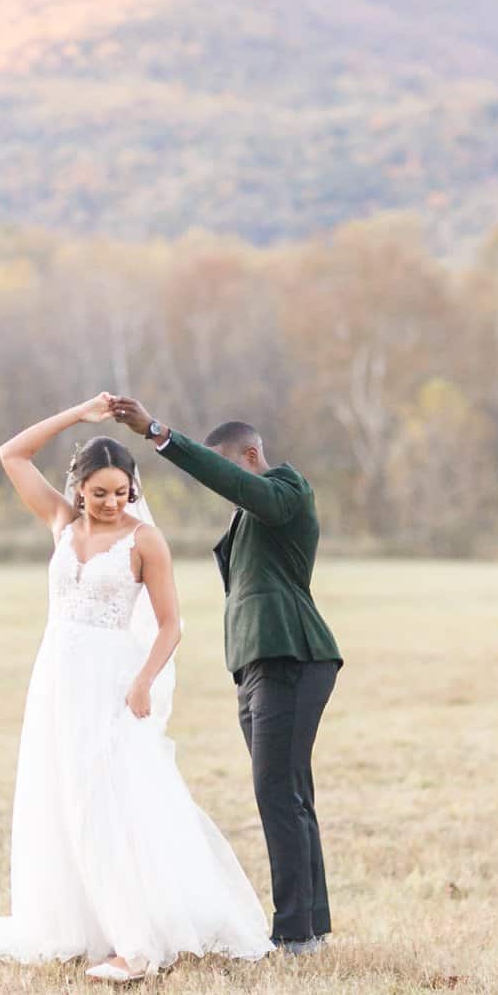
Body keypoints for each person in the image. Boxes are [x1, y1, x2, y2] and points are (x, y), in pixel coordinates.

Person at [0, 392, 275, 982]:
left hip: (114, 681)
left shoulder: (144, 541)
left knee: (102, 803)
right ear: (79, 488)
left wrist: (143, 681)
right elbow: (11, 453)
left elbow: (171, 625)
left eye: (121, 491)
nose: (111, 502)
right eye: (100, 492)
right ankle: (86, 925)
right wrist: (78, 416)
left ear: (134, 489)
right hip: (57, 677)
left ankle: (135, 944)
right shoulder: (61, 524)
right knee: (57, 795)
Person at [109, 396, 343, 955]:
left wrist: (160, 434)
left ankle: (294, 934)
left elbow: (239, 487)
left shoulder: (287, 490)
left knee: (276, 792)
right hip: (256, 664)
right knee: (289, 793)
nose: (225, 487)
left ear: (252, 454)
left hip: (291, 655)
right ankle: (310, 927)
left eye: (229, 469)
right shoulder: (249, 517)